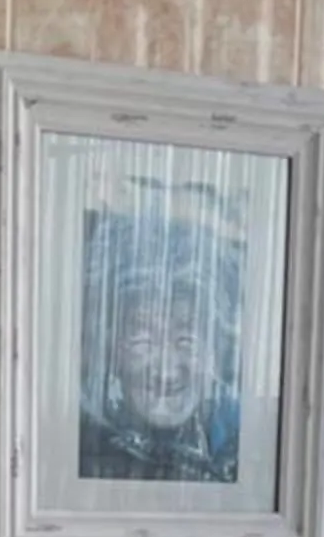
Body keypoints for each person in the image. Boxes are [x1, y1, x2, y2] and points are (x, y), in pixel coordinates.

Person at [76, 200, 243, 484]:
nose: (165, 372)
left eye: (187, 339)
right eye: (143, 339)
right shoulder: (83, 444)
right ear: (110, 349)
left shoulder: (237, 440)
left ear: (216, 350)